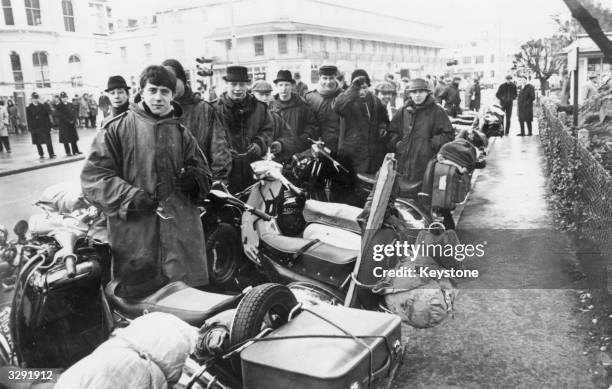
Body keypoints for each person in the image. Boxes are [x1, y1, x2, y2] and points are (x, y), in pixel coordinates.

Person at [81, 65, 212, 296]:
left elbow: (204, 173)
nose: (158, 97)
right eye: (152, 90)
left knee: (183, 304)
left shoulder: (182, 134)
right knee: (141, 306)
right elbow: (94, 178)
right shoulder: (116, 129)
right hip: (137, 235)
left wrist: (195, 180)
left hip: (180, 234)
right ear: (141, 92)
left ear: (173, 95)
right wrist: (131, 197)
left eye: (164, 91)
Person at [389, 78, 455, 228]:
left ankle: (445, 236)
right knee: (406, 206)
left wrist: (429, 145)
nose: (417, 95)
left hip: (426, 167)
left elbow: (448, 135)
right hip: (404, 167)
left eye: (421, 92)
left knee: (431, 204)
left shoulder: (437, 111)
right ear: (409, 94)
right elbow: (392, 132)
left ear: (427, 93)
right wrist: (398, 144)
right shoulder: (403, 112)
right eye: (414, 92)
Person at [161, 59, 230, 181]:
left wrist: (218, 183)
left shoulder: (203, 109)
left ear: (183, 80)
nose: (170, 86)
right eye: (166, 83)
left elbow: (219, 151)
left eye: (173, 81)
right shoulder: (159, 111)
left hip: (201, 184)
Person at [214, 65, 274, 193]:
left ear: (247, 85)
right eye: (234, 84)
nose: (238, 88)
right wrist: (224, 151)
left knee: (253, 208)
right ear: (227, 84)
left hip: (253, 170)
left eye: (242, 84)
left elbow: (268, 131)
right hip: (226, 172)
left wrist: (259, 145)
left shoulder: (259, 108)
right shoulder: (214, 109)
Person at [332, 69, 389, 175]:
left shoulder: (374, 100)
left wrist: (382, 126)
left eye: (365, 87)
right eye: (358, 88)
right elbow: (337, 107)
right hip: (351, 153)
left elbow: (383, 117)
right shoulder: (347, 100)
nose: (362, 91)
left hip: (371, 153)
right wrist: (353, 89)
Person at [270, 70, 319, 155]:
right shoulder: (271, 106)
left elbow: (312, 125)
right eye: (280, 85)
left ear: (292, 86)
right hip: (277, 151)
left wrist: (302, 140)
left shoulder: (302, 105)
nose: (284, 88)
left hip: (299, 151)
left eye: (287, 85)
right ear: (276, 86)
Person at [251, 79, 294, 160]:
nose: (264, 98)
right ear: (252, 95)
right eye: (260, 94)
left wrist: (280, 144)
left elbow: (289, 137)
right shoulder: (245, 117)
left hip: (270, 163)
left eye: (267, 95)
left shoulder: (275, 117)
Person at [304, 64, 343, 152]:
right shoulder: (310, 97)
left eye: (331, 78)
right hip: (314, 148)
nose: (328, 82)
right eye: (325, 78)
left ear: (336, 77)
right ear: (319, 78)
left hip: (338, 148)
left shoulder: (343, 97)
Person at [25, 92, 55, 159]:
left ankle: (51, 153)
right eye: (34, 98)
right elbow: (28, 119)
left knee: (48, 141)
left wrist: (50, 126)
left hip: (44, 126)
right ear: (31, 99)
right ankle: (41, 154)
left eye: (36, 98)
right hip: (35, 127)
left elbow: (48, 113)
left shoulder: (43, 106)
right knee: (38, 142)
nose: (35, 100)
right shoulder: (29, 108)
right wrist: (30, 128)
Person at [56, 91, 81, 156]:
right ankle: (68, 152)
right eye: (62, 98)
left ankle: (75, 151)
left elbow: (74, 113)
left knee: (73, 138)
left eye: (65, 97)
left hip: (72, 124)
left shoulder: (70, 104)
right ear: (61, 98)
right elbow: (60, 115)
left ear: (67, 98)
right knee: (65, 139)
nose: (64, 99)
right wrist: (68, 121)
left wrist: (74, 120)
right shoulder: (59, 106)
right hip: (64, 124)